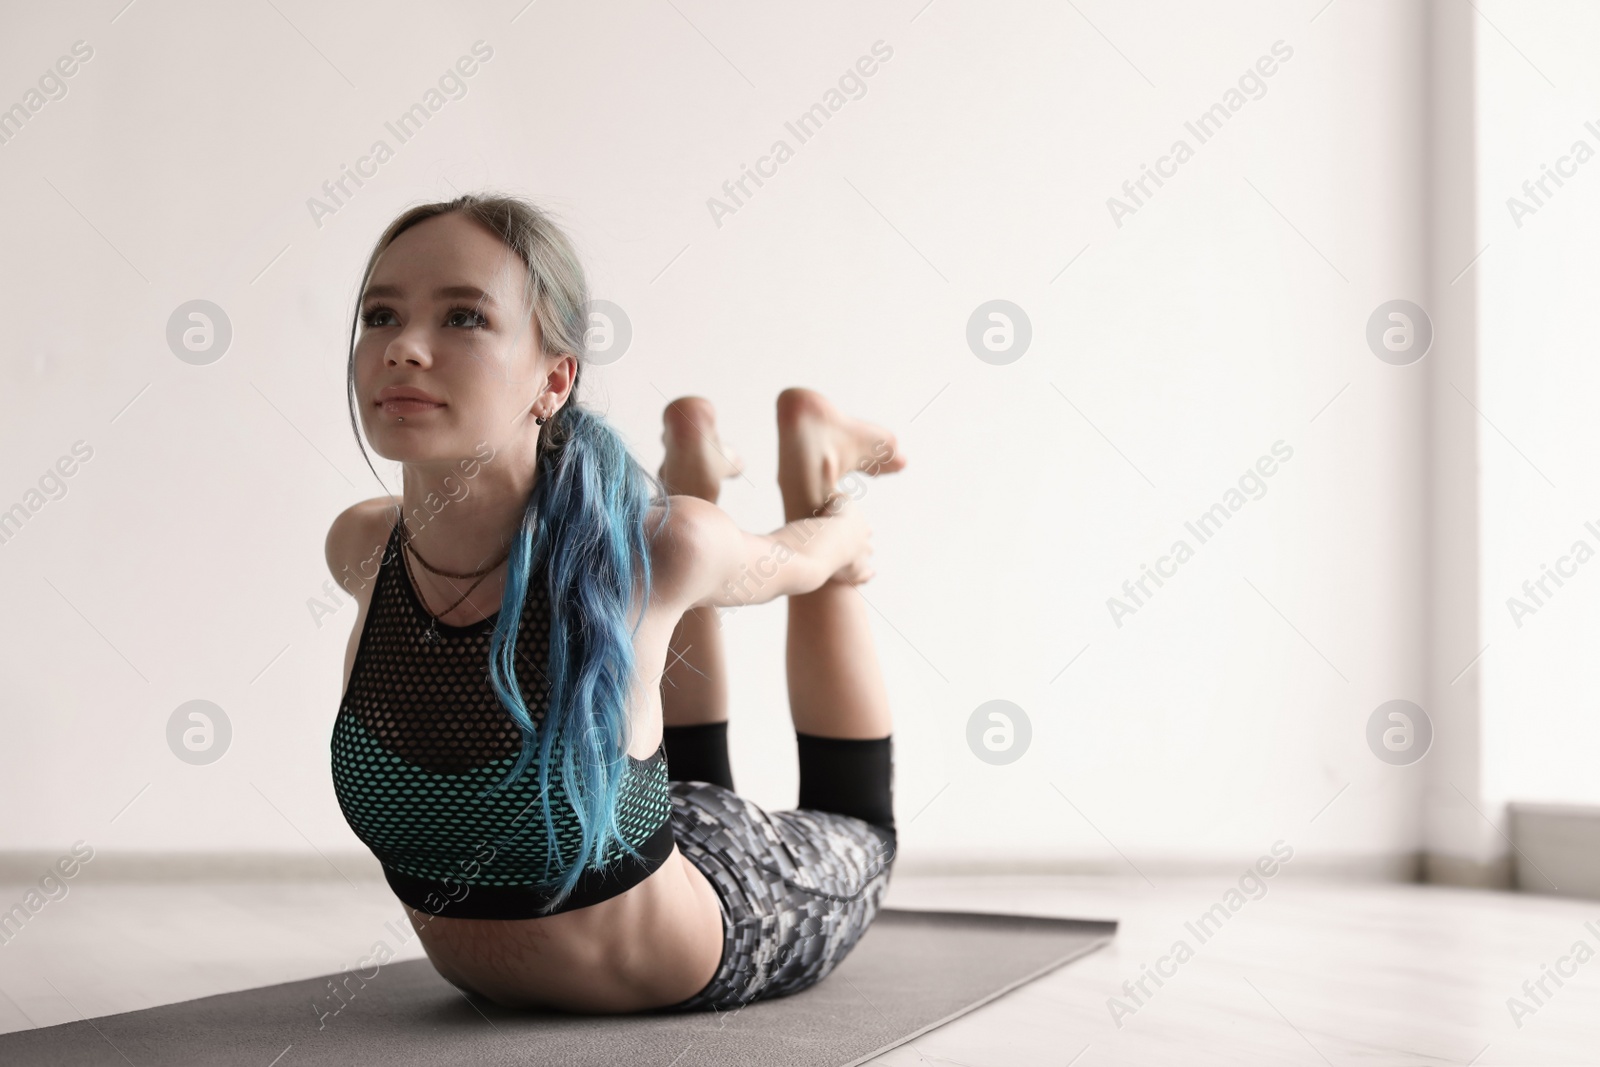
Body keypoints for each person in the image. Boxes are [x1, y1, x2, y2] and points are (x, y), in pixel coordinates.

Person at [324, 192, 908, 1014]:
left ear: (553, 379)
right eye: (381, 315)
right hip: (650, 820)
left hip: (724, 910)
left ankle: (814, 455)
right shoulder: (361, 549)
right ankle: (696, 460)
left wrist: (839, 537)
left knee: (860, 832)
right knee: (656, 606)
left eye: (462, 318)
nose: (403, 349)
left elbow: (787, 563)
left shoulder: (656, 548)